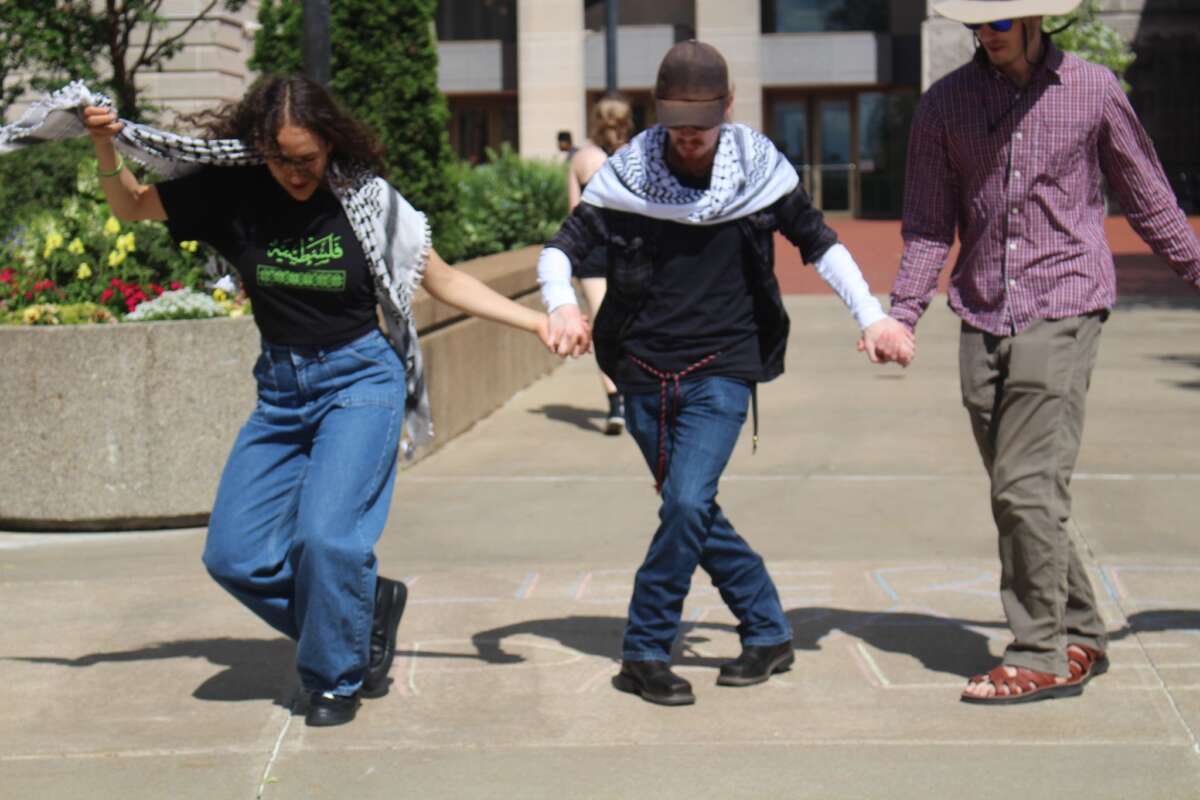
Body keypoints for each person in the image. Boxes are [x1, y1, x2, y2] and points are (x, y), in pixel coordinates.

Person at [76, 76, 582, 726]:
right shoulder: (230, 194)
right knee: (233, 554)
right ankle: (362, 610)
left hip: (359, 381)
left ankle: (334, 677)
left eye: (307, 158)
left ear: (329, 144)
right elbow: (132, 207)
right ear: (259, 147)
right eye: (282, 158)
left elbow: (446, 279)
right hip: (281, 390)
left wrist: (538, 322)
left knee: (328, 540)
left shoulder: (364, 199)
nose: (295, 172)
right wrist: (103, 145)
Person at [539, 41, 914, 706]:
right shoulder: (628, 174)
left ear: (728, 108)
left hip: (723, 366)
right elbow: (558, 253)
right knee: (693, 510)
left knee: (684, 502)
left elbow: (819, 243)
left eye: (701, 125)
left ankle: (645, 648)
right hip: (642, 370)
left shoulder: (758, 170)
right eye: (676, 124)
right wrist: (563, 306)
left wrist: (873, 317)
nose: (687, 139)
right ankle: (768, 630)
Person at [885, 1, 1200, 704]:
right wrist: (902, 314)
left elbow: (1148, 198)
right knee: (1026, 494)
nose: (986, 37)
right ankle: (1081, 628)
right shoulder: (946, 105)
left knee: (1023, 487)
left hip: (1065, 300)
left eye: (998, 24)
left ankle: (1038, 652)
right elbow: (930, 223)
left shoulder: (1092, 89)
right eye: (977, 27)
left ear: (1033, 20)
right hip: (981, 308)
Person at [567, 94, 635, 434]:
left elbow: (574, 215)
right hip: (629, 249)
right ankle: (639, 394)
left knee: (603, 327)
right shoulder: (635, 157)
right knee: (636, 323)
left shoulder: (581, 158)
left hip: (593, 253)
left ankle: (615, 404)